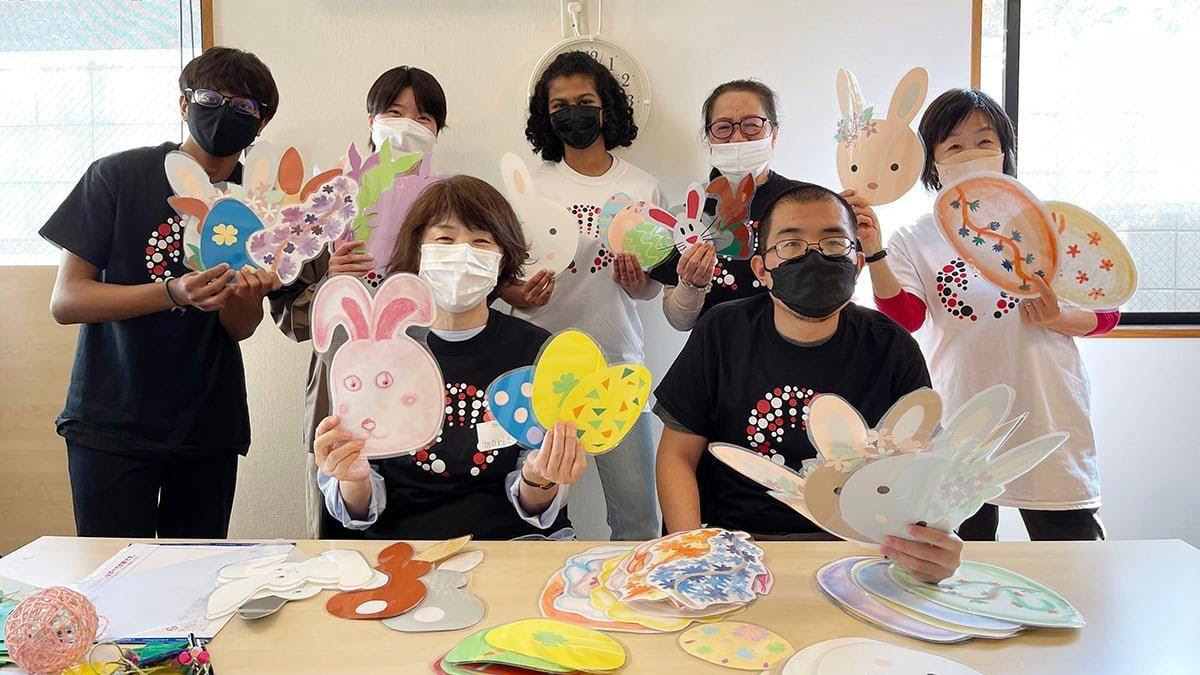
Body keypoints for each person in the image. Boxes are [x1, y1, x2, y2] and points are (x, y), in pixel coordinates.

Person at [654, 182, 963, 582]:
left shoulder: (891, 346)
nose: (813, 256)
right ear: (761, 270)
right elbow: (677, 455)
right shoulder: (722, 332)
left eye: (834, 243)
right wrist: (690, 552)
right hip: (732, 547)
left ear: (857, 262)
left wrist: (933, 543)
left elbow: (922, 470)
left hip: (853, 552)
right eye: (791, 245)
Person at [39, 47, 282, 538]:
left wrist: (248, 295)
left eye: (242, 106)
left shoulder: (263, 203)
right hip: (110, 420)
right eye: (209, 98)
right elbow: (67, 301)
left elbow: (240, 329)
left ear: (261, 124)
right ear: (183, 103)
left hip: (207, 425)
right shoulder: (117, 176)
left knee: (193, 575)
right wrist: (173, 292)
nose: (222, 112)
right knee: (112, 573)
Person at [860, 89, 1116, 541]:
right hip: (963, 414)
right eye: (954, 145)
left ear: (1005, 150)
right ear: (932, 163)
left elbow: (1108, 313)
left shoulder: (1048, 223)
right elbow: (907, 318)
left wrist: (1056, 318)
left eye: (984, 141)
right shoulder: (916, 238)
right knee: (959, 551)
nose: (972, 153)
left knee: (1072, 547)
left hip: (1046, 410)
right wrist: (875, 252)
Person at [312, 175, 585, 539]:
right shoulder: (374, 354)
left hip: (512, 547)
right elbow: (359, 510)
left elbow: (536, 505)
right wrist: (352, 479)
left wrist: (541, 478)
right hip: (401, 549)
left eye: (481, 241)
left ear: (503, 259)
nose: (463, 253)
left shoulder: (536, 352)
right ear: (418, 251)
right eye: (445, 239)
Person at [270, 65, 448, 538]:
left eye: (424, 117)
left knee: (424, 517)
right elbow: (288, 314)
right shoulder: (326, 201)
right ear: (371, 120)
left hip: (424, 383)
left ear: (438, 131)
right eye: (395, 112)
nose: (409, 125)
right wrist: (331, 279)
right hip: (341, 387)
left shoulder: (447, 206)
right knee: (340, 522)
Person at [499, 51, 664, 540]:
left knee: (638, 517)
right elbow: (500, 276)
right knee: (529, 505)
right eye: (560, 105)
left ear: (606, 107)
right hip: (537, 363)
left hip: (617, 364)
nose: (574, 112)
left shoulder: (643, 186)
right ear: (545, 115)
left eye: (585, 101)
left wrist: (638, 282)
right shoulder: (531, 186)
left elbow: (652, 286)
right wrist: (520, 295)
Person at [651, 79, 796, 330]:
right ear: (708, 137)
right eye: (723, 128)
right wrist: (691, 286)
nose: (738, 137)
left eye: (752, 125)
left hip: (787, 348)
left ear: (774, 133)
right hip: (715, 349)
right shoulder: (690, 216)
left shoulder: (804, 203)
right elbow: (679, 321)